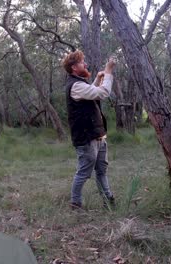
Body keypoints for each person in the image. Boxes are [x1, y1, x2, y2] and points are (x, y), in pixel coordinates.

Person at [61, 50, 116, 210]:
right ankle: (75, 203)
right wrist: (108, 72)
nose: (85, 64)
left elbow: (90, 93)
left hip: (97, 136)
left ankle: (109, 202)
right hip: (86, 139)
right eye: (82, 62)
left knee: (101, 171)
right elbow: (103, 93)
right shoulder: (76, 85)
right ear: (73, 67)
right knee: (84, 172)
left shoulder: (79, 84)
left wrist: (99, 79)